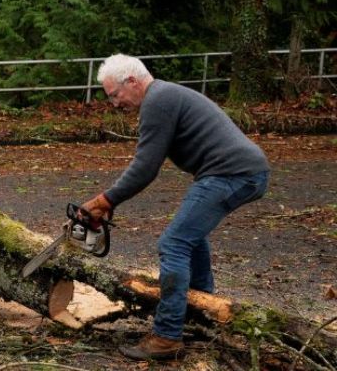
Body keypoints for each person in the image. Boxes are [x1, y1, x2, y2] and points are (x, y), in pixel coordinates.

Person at [81, 54, 270, 360]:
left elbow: (145, 167)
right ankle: (201, 310)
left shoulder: (159, 100)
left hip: (233, 173)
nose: (115, 104)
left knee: (174, 243)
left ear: (131, 81)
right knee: (189, 237)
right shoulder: (165, 96)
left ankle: (167, 337)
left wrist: (104, 201)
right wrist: (109, 200)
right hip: (239, 172)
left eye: (114, 95)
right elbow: (146, 165)